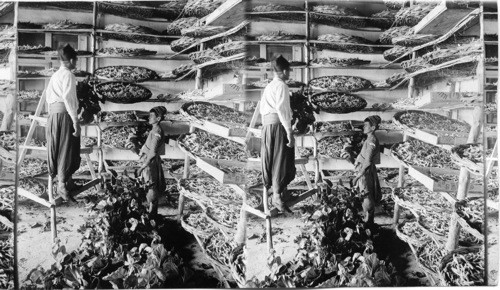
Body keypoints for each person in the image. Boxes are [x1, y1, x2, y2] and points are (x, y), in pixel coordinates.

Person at [260, 55, 296, 213]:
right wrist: (289, 131)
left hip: (267, 126)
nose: (290, 74)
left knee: (272, 161)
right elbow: (282, 110)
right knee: (280, 160)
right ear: (285, 71)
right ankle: (276, 196)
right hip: (277, 126)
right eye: (289, 71)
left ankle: (278, 193)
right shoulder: (282, 86)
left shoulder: (269, 86)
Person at [46, 44, 81, 202]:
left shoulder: (55, 75)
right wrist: (75, 121)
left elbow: (48, 98)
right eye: (76, 60)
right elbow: (68, 99)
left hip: (53, 116)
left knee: (58, 148)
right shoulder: (69, 75)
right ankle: (61, 186)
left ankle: (67, 181)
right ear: (72, 60)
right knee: (67, 149)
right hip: (64, 115)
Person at [352, 115, 382, 227]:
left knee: (366, 195)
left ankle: (369, 223)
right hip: (366, 171)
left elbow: (368, 161)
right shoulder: (369, 139)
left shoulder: (371, 141)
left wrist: (357, 177)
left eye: (366, 125)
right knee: (366, 194)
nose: (363, 127)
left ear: (373, 127)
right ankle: (368, 220)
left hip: (365, 172)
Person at [138, 106, 167, 215]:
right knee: (150, 184)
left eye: (151, 116)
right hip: (150, 161)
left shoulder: (157, 132)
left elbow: (152, 152)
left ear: (158, 118)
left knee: (151, 186)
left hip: (150, 162)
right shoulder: (155, 129)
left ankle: (152, 214)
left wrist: (142, 167)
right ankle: (152, 212)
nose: (149, 118)